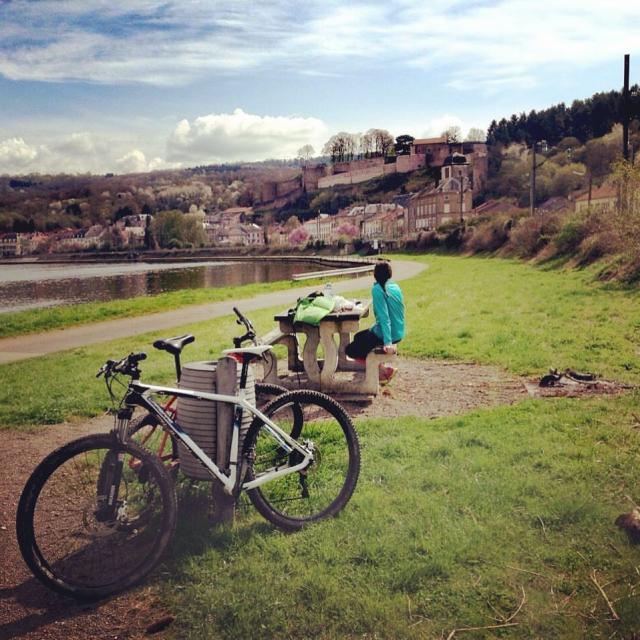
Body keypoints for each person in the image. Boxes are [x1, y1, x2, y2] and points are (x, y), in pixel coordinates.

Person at [345, 260, 405, 382]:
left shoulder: (378, 289)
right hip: (398, 332)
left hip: (388, 334)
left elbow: (385, 317)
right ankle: (382, 368)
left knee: (350, 350)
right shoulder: (395, 286)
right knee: (358, 337)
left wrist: (388, 342)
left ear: (375, 275)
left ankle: (382, 371)